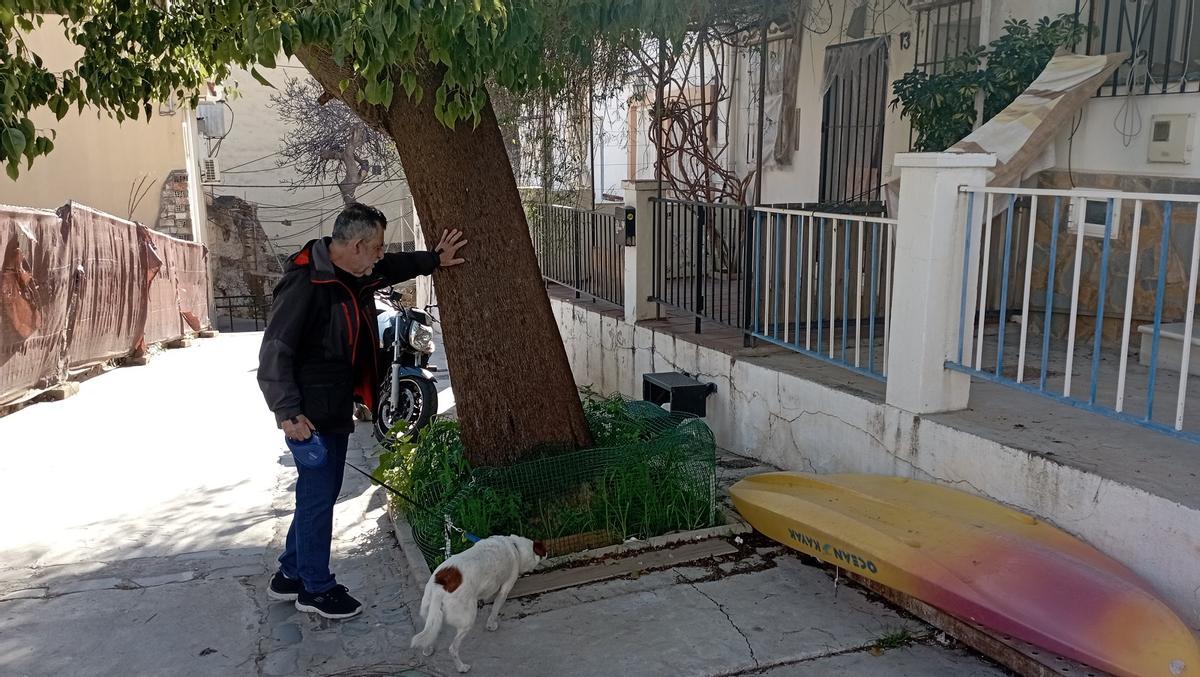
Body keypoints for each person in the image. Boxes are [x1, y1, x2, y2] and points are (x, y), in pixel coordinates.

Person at [257, 202, 467, 619]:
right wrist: (288, 412)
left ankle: (290, 573)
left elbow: (391, 266)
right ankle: (315, 588)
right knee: (318, 498)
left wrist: (433, 261)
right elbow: (275, 351)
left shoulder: (355, 273)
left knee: (316, 495)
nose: (380, 256)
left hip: (334, 404)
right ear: (356, 245)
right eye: (375, 248)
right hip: (310, 415)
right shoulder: (305, 283)